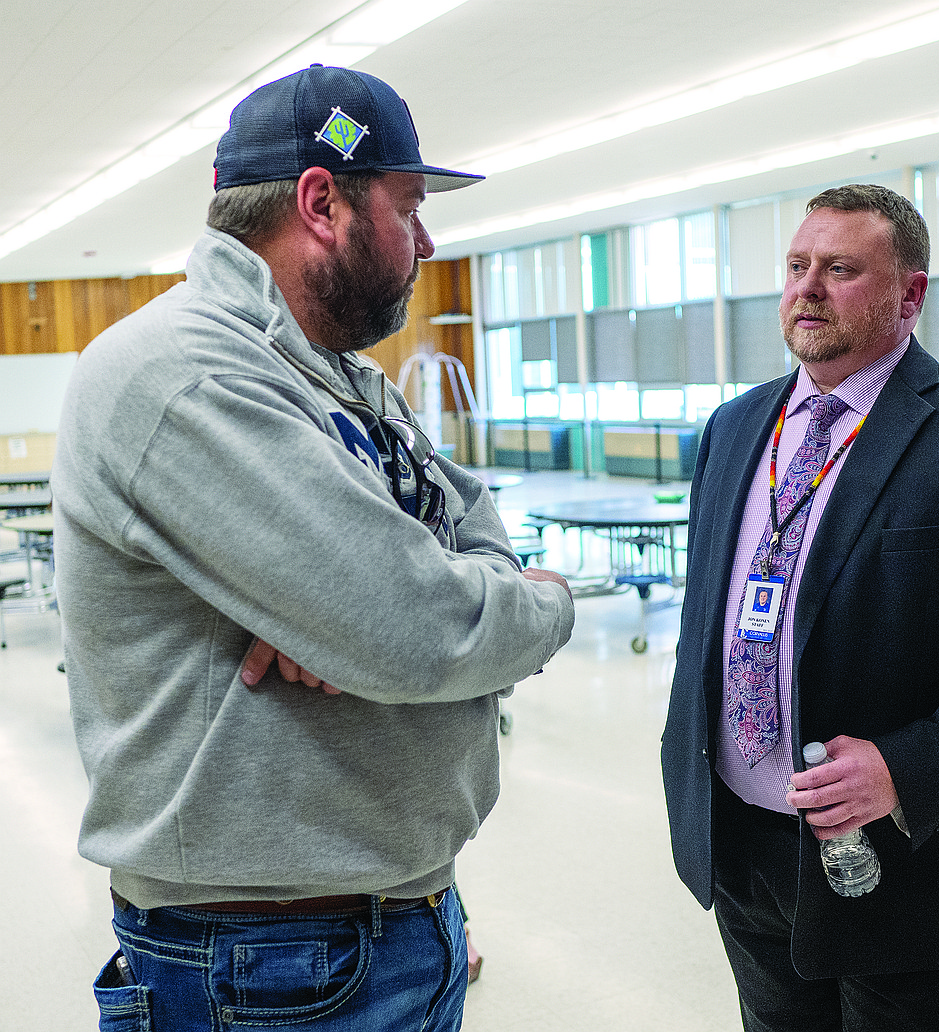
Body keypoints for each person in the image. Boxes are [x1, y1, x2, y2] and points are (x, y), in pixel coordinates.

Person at [52, 64, 574, 1032]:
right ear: (321, 202)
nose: (426, 242)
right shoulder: (188, 374)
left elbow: (455, 530)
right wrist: (538, 601)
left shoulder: (332, 375)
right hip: (266, 968)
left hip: (383, 926)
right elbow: (418, 627)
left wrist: (360, 601)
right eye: (410, 206)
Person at [660, 183, 939, 1032]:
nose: (808, 289)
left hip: (921, 865)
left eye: (841, 269)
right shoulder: (733, 428)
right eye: (797, 266)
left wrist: (904, 768)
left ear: (910, 295)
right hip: (748, 854)